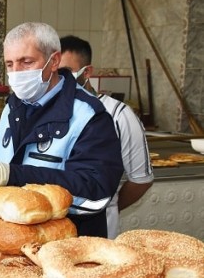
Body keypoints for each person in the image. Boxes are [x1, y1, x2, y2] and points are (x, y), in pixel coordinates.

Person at [0, 22, 124, 237]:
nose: (16, 73)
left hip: (68, 243)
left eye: (26, 62)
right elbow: (8, 162)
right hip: (12, 236)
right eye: (9, 64)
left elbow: (95, 191)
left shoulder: (88, 116)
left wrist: (14, 175)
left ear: (54, 61)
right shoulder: (12, 106)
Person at [59, 35, 154, 239]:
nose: (61, 79)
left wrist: (108, 205)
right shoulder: (51, 112)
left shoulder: (118, 115)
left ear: (88, 72)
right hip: (54, 229)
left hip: (97, 232)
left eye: (66, 72)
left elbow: (141, 180)